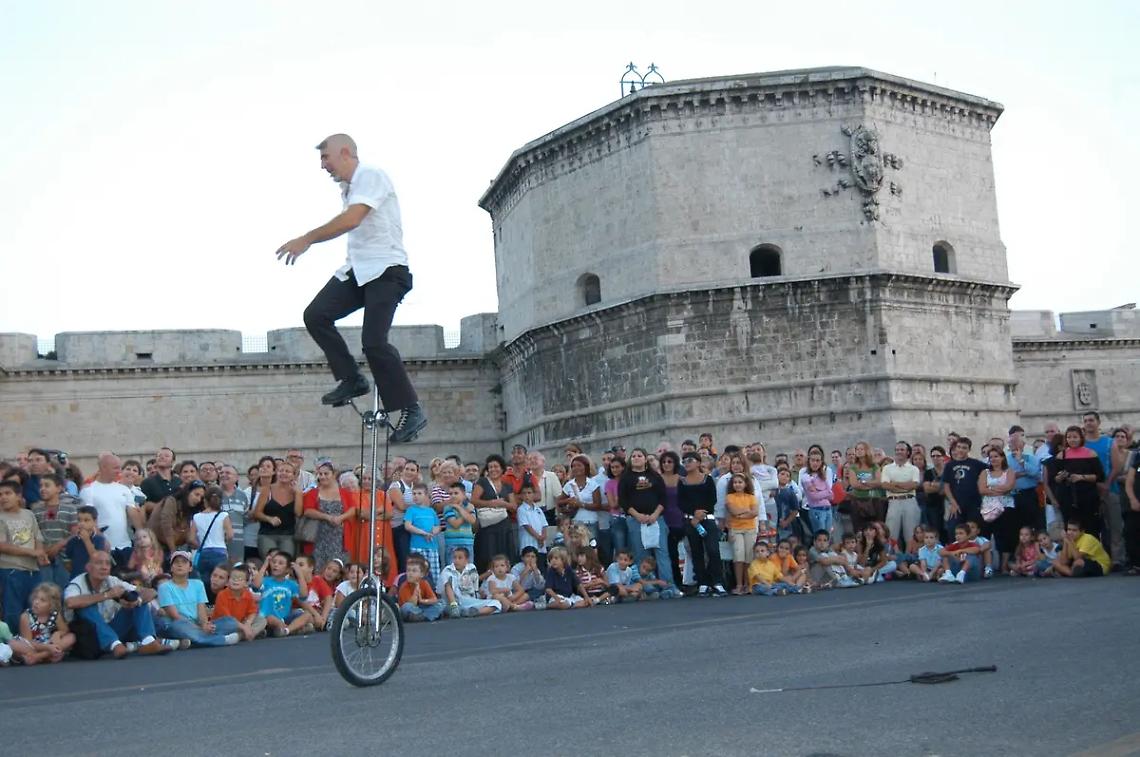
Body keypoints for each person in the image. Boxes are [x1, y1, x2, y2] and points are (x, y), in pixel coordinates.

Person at [276, 133, 427, 443]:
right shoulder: (350, 188)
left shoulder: (370, 175)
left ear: (345, 153)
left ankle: (411, 409)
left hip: (387, 271)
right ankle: (351, 378)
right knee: (316, 315)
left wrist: (307, 238)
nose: (323, 166)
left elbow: (352, 220)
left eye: (326, 158)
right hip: (359, 272)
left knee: (373, 342)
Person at [63, 551, 173, 658]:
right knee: (85, 607)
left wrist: (136, 601)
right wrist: (107, 595)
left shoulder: (112, 580)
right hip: (90, 637)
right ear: (88, 567)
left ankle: (148, 642)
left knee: (137, 598)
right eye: (99, 563)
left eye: (107, 563)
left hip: (114, 629)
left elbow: (151, 592)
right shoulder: (77, 583)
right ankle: (114, 644)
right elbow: (70, 602)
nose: (104, 567)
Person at [618, 448, 676, 588]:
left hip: (657, 519)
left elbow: (663, 499)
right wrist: (637, 515)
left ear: (645, 459)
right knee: (640, 554)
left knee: (662, 553)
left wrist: (655, 514)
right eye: (633, 456)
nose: (636, 458)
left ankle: (668, 585)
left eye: (639, 456)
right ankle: (644, 586)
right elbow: (623, 501)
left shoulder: (655, 476)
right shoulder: (625, 478)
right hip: (635, 520)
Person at [157, 551, 240, 647]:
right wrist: (201, 629)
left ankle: (192, 641)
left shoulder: (198, 584)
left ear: (190, 568)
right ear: (171, 568)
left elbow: (201, 610)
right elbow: (175, 616)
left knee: (230, 622)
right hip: (177, 624)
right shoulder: (164, 587)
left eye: (184, 562)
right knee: (180, 626)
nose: (180, 565)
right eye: (176, 562)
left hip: (197, 625)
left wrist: (205, 624)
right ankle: (222, 640)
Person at [80, 452, 141, 568]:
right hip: (102, 549)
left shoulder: (124, 490)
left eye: (119, 467)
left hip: (126, 547)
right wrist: (101, 540)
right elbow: (87, 520)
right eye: (115, 468)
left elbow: (134, 516)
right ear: (103, 467)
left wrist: (142, 538)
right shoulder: (88, 491)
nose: (119, 471)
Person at [0, 479, 46, 631]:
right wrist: (32, 552)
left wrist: (40, 554)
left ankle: (33, 644)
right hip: (11, 571)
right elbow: (2, 545)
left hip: (33, 571)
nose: (3, 497)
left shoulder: (28, 514)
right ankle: (15, 648)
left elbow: (37, 538)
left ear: (19, 496)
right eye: (0, 494)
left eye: (8, 493)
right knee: (13, 612)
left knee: (35, 610)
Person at [1045, 426, 1105, 535]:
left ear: (1081, 438)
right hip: (1068, 497)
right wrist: (1061, 477)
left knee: (1091, 527)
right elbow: (1053, 480)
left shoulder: (1091, 453)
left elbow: (1100, 476)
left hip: (1087, 496)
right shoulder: (1061, 456)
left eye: (1075, 437)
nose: (1072, 440)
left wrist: (1081, 477)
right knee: (1070, 527)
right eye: (1069, 437)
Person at [300, 461, 352, 569]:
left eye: (326, 474)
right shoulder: (313, 492)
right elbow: (308, 511)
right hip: (318, 536)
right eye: (320, 474)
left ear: (334, 474)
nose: (322, 477)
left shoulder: (344, 492)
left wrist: (341, 517)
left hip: (339, 537)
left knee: (338, 566)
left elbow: (353, 509)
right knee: (318, 566)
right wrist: (328, 517)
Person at [32, 473, 79, 587]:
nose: (42, 489)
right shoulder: (36, 510)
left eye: (47, 485)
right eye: (41, 486)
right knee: (45, 590)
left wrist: (59, 544)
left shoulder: (70, 509)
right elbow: (34, 533)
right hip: (44, 557)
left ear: (59, 488)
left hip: (64, 559)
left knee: (63, 590)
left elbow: (75, 533)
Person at [8, 583, 75, 664]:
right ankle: (48, 656)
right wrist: (48, 647)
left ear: (51, 605)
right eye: (35, 598)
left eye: (42, 600)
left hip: (50, 644)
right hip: (34, 646)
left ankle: (38, 657)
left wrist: (58, 633)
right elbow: (28, 642)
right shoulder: (26, 617)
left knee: (71, 637)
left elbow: (65, 630)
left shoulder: (55, 615)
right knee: (12, 644)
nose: (36, 602)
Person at [471, 455, 517, 572]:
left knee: (505, 554)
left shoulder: (507, 486)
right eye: (490, 467)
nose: (493, 469)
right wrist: (491, 503)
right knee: (487, 555)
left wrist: (502, 504)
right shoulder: (482, 482)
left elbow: (513, 506)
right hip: (488, 527)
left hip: (504, 526)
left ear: (502, 469)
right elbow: (474, 501)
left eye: (496, 466)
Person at [254, 551, 312, 637]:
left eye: (280, 563)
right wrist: (265, 566)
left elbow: (303, 596)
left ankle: (286, 630)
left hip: (285, 616)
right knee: (268, 617)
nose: (276, 565)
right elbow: (256, 585)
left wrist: (300, 575)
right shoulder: (266, 581)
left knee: (307, 615)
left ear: (288, 569)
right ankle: (291, 629)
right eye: (273, 562)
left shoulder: (291, 584)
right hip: (269, 617)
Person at [978, 446, 1017, 571]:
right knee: (985, 535)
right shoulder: (985, 472)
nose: (994, 459)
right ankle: (986, 565)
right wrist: (999, 490)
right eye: (991, 457)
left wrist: (991, 489)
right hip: (988, 509)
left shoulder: (1009, 471)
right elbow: (981, 489)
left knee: (1005, 536)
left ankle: (1004, 565)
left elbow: (1008, 487)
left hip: (1005, 507)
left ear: (1002, 458)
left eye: (996, 456)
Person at [722, 467, 759, 595]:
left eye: (740, 482)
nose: (737, 484)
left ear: (745, 484)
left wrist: (741, 514)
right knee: (739, 556)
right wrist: (746, 511)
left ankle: (748, 584)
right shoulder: (729, 497)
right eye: (735, 482)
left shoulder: (751, 497)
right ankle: (739, 584)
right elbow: (733, 511)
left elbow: (755, 512)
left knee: (749, 556)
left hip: (750, 529)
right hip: (736, 529)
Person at [437, 546, 501, 618]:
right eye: (454, 558)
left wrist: (480, 593)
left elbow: (474, 584)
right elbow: (446, 587)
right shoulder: (448, 570)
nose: (456, 560)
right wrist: (453, 604)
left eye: (460, 558)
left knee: (496, 603)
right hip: (453, 602)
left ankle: (474, 612)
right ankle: (455, 609)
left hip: (469, 601)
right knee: (449, 582)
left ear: (466, 560)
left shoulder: (471, 568)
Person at [880, 441, 921, 553]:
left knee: (911, 534)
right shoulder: (887, 468)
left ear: (908, 452)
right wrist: (904, 486)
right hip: (894, 502)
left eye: (902, 450)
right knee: (891, 533)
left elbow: (914, 485)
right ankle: (894, 558)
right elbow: (885, 485)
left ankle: (910, 558)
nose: (899, 452)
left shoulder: (913, 469)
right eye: (897, 449)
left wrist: (895, 483)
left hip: (910, 501)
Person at [941, 438, 988, 534]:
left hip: (974, 505)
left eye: (964, 448)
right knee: (954, 531)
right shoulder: (949, 465)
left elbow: (992, 470)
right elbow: (946, 486)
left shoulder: (976, 463)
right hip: (956, 505)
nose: (961, 450)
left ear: (969, 450)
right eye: (959, 447)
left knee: (973, 533)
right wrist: (953, 503)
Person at [212, 564, 265, 641]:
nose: (235, 580)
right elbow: (227, 618)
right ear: (228, 581)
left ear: (246, 583)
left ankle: (241, 635)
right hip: (223, 624)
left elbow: (253, 612)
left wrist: (248, 624)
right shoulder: (222, 595)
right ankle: (248, 633)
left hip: (240, 623)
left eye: (240, 579)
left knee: (262, 620)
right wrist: (244, 627)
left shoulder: (248, 594)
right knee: (229, 624)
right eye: (233, 578)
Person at [189, 486, 233, 582]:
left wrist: (200, 544)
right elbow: (230, 535)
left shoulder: (196, 517)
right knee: (220, 581)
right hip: (220, 552)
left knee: (204, 582)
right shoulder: (223, 515)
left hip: (204, 553)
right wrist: (224, 541)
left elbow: (191, 539)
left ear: (205, 500)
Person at [1007, 426, 1044, 532]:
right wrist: (1023, 474)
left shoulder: (1032, 458)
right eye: (1011, 443)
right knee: (1014, 527)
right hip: (1011, 496)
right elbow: (1005, 476)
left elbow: (1036, 474)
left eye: (1016, 442)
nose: (1013, 445)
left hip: (1028, 495)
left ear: (1023, 444)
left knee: (1032, 526)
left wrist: (1022, 462)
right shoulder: (1005, 460)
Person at [404, 483, 442, 582]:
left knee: (434, 573)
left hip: (432, 546)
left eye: (419, 493)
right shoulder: (411, 510)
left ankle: (433, 593)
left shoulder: (431, 511)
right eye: (414, 493)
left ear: (426, 495)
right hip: (417, 546)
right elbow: (407, 526)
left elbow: (438, 526)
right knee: (418, 571)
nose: (416, 496)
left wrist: (433, 532)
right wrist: (424, 533)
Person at [65, 507, 110, 580]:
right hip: (76, 578)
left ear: (95, 521)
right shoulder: (73, 540)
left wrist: (86, 540)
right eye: (79, 520)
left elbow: (97, 558)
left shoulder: (99, 539)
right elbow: (68, 559)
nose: (82, 523)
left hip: (94, 578)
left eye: (86, 520)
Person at [217, 464, 250, 560]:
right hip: (218, 543)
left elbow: (245, 518)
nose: (223, 475)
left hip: (237, 543)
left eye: (228, 473)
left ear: (236, 478)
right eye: (221, 473)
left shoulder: (243, 496)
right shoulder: (213, 493)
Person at [397, 555, 443, 622]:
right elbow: (412, 604)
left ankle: (423, 616)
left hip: (422, 607)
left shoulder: (424, 583)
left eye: (414, 571)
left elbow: (434, 599)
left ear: (421, 574)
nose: (410, 573)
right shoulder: (404, 586)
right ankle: (429, 616)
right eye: (408, 570)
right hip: (411, 609)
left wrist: (422, 601)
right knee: (406, 607)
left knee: (441, 603)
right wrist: (416, 590)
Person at [442, 481, 477, 567]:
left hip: (468, 543)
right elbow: (455, 524)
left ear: (464, 494)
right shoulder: (448, 508)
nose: (453, 496)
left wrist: (460, 509)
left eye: (456, 493)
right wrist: (466, 513)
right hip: (452, 544)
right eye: (450, 494)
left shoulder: (469, 506)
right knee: (452, 568)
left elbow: (472, 520)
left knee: (468, 569)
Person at [516, 483, 549, 567]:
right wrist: (538, 537)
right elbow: (526, 526)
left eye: (529, 493)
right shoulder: (521, 510)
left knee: (541, 567)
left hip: (540, 546)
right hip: (528, 543)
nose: (527, 495)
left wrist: (543, 537)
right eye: (524, 493)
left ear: (534, 494)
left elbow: (544, 525)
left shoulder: (538, 510)